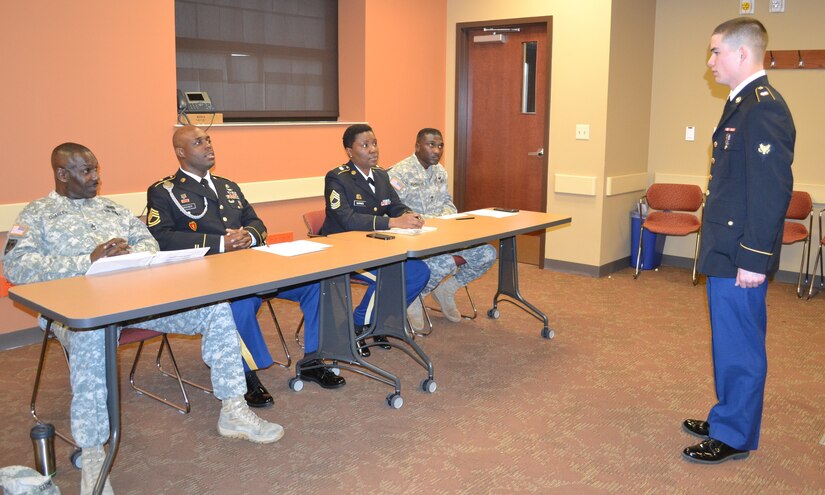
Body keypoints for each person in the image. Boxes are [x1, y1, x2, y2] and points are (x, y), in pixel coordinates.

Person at [3, 143, 284, 495]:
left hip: (137, 302)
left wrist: (131, 255)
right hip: (79, 313)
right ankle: (92, 454)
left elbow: (150, 243)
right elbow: (15, 266)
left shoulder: (112, 209)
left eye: (96, 169)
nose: (96, 177)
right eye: (86, 171)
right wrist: (87, 261)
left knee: (215, 308)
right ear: (62, 174)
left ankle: (233, 409)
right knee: (93, 338)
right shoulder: (37, 215)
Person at [146, 125, 344, 390]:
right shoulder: (164, 191)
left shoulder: (227, 186)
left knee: (316, 285)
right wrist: (221, 243)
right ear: (180, 152)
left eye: (208, 139)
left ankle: (314, 360)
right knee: (240, 301)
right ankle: (243, 373)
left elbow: (255, 222)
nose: (207, 145)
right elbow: (162, 237)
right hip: (208, 272)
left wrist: (249, 236)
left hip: (252, 265)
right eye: (198, 142)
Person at [682, 18, 794, 464]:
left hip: (741, 253)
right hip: (727, 247)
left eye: (715, 52)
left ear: (742, 54)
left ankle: (734, 435)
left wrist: (754, 257)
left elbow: (770, 192)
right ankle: (729, 415)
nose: (709, 62)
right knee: (728, 341)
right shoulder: (742, 104)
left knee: (741, 345)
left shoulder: (764, 108)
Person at [320, 124, 429, 356]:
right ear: (350, 151)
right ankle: (356, 326)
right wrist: (393, 223)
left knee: (419, 271)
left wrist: (409, 214)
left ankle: (375, 321)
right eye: (365, 145)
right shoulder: (337, 178)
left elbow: (395, 205)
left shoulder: (381, 175)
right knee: (393, 276)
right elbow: (347, 219)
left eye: (375, 143)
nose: (373, 149)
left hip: (375, 247)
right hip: (341, 252)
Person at [388, 128, 496, 331]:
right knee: (446, 262)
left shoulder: (440, 172)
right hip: (415, 242)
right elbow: (396, 212)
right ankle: (415, 296)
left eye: (440, 146)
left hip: (443, 236)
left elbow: (448, 203)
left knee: (487, 253)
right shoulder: (398, 174)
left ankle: (447, 290)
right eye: (431, 145)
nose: (437, 150)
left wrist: (444, 219)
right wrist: (433, 222)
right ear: (417, 145)